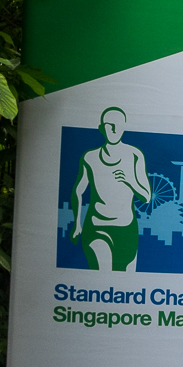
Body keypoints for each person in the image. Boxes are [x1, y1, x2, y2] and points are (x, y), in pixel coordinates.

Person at [71, 107, 151, 272]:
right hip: (97, 225)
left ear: (124, 127)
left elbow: (146, 196)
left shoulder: (135, 155)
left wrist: (130, 180)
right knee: (103, 276)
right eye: (109, 125)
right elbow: (78, 191)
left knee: (126, 283)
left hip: (127, 228)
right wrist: (77, 223)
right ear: (101, 128)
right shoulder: (90, 157)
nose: (114, 129)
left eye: (118, 124)